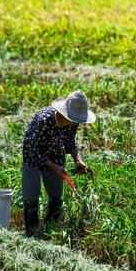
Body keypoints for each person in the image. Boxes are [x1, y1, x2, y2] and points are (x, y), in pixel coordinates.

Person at [21, 90, 95, 237]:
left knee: (56, 197)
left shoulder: (73, 123)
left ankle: (48, 232)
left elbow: (69, 142)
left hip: (55, 157)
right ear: (65, 113)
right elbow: (32, 149)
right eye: (74, 119)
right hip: (33, 158)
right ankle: (31, 235)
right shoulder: (43, 121)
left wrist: (77, 159)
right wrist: (55, 167)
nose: (76, 123)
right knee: (31, 197)